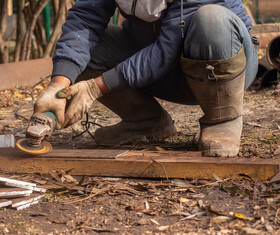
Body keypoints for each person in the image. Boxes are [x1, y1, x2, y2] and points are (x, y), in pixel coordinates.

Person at [31, 0, 259, 157]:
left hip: (223, 67)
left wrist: (95, 88)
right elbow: (84, 19)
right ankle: (145, 122)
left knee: (211, 19)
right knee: (87, 47)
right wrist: (58, 85)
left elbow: (167, 49)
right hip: (160, 71)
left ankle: (222, 119)